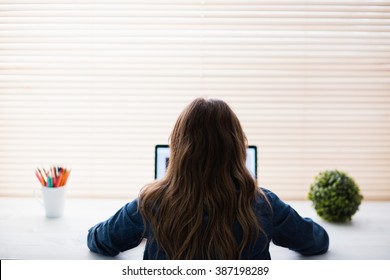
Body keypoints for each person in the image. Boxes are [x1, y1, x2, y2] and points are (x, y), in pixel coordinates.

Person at [87, 98, 329, 259]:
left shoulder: (150, 204)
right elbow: (317, 241)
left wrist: (145, 229)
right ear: (236, 148)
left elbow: (99, 240)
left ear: (179, 149)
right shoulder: (263, 205)